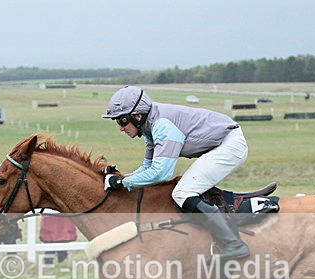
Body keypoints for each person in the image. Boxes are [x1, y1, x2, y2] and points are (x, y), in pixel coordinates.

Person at [101, 85, 250, 261]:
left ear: (137, 116)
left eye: (122, 121)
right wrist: (123, 178)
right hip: (222, 142)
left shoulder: (161, 125)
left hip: (230, 145)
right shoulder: (150, 127)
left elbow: (160, 173)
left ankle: (234, 245)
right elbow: (148, 167)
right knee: (184, 190)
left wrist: (122, 183)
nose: (121, 128)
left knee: (182, 192)